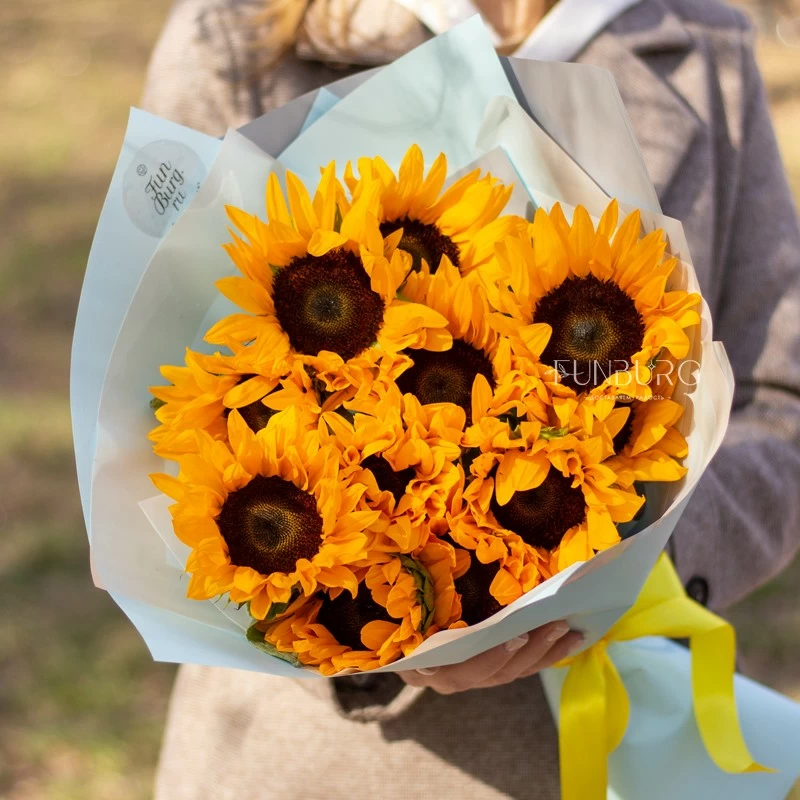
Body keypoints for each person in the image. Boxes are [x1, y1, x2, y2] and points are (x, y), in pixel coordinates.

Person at [141, 1, 800, 797]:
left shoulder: (702, 41)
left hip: (598, 747)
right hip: (311, 756)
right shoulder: (236, 35)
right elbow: (148, 427)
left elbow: (777, 404)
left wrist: (622, 565)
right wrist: (362, 624)